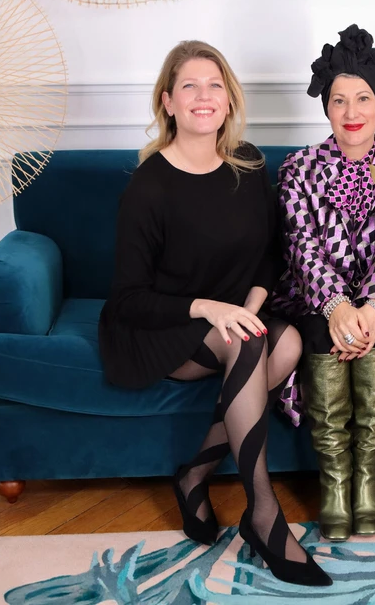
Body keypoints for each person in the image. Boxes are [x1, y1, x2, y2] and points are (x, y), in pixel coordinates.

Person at [97, 40, 330, 586]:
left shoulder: (247, 166)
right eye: (189, 87)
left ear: (228, 100)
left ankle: (194, 474)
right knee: (249, 344)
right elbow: (129, 297)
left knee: (288, 340)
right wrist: (211, 309)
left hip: (229, 317)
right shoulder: (148, 186)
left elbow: (270, 255)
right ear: (168, 102)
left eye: (215, 85)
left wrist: (248, 307)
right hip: (162, 326)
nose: (204, 97)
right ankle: (265, 514)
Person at [270, 25, 375, 542]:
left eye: (362, 97)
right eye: (339, 100)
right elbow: (302, 246)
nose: (351, 110)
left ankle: (368, 480)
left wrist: (372, 310)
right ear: (326, 108)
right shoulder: (296, 169)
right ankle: (335, 483)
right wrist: (337, 307)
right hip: (314, 296)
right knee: (319, 335)